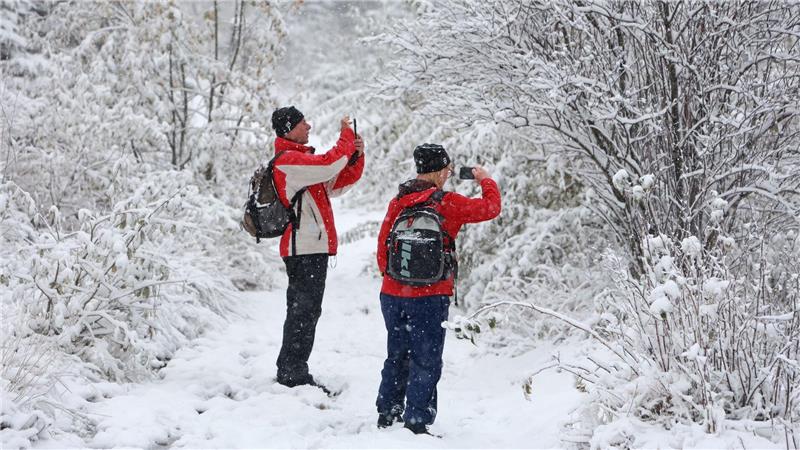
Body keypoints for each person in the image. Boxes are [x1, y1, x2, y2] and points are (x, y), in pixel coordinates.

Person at [375, 143, 501, 434]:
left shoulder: (398, 202)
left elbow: (382, 250)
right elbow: (491, 208)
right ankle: (417, 421)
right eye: (448, 169)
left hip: (392, 294)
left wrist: (397, 281)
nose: (449, 174)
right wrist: (485, 180)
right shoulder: (447, 202)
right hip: (429, 297)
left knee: (397, 354)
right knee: (426, 359)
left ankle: (388, 412)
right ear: (441, 171)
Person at [269, 106, 364, 392]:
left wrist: (356, 154)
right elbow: (328, 165)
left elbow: (338, 181)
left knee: (306, 311)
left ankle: (292, 369)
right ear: (288, 129)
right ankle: (292, 373)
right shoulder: (288, 161)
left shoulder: (301, 162)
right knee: (303, 311)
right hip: (303, 249)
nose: (309, 126)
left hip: (310, 248)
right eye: (302, 123)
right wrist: (345, 136)